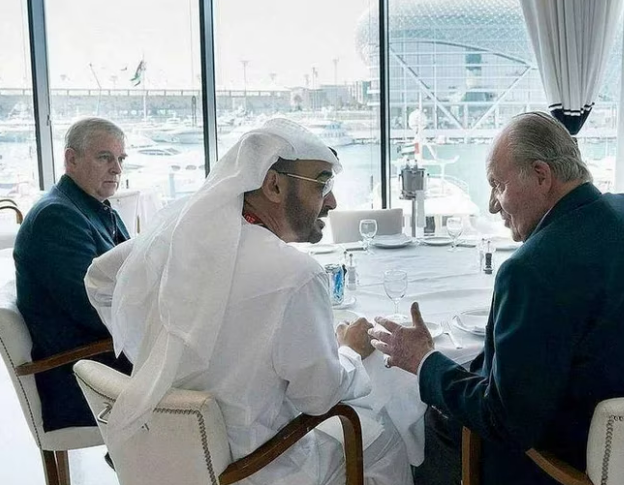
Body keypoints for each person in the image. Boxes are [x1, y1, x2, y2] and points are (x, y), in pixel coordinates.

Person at [369, 111, 624, 484]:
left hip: (582, 465)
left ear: (542, 175)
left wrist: (424, 361)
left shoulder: (532, 269)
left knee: (429, 426)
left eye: (498, 185)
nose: (493, 205)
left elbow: (506, 422)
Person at [84, 118, 412, 485]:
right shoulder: (297, 274)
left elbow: (99, 279)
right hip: (256, 467)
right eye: (322, 182)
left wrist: (156, 350)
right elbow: (318, 398)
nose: (332, 201)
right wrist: (349, 350)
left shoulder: (179, 235)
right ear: (274, 185)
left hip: (168, 459)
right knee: (388, 439)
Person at [14, 117, 132, 431]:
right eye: (105, 157)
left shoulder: (94, 208)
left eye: (120, 159)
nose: (117, 169)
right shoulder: (57, 217)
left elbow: (136, 274)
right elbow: (93, 311)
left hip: (102, 355)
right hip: (81, 375)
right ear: (71, 158)